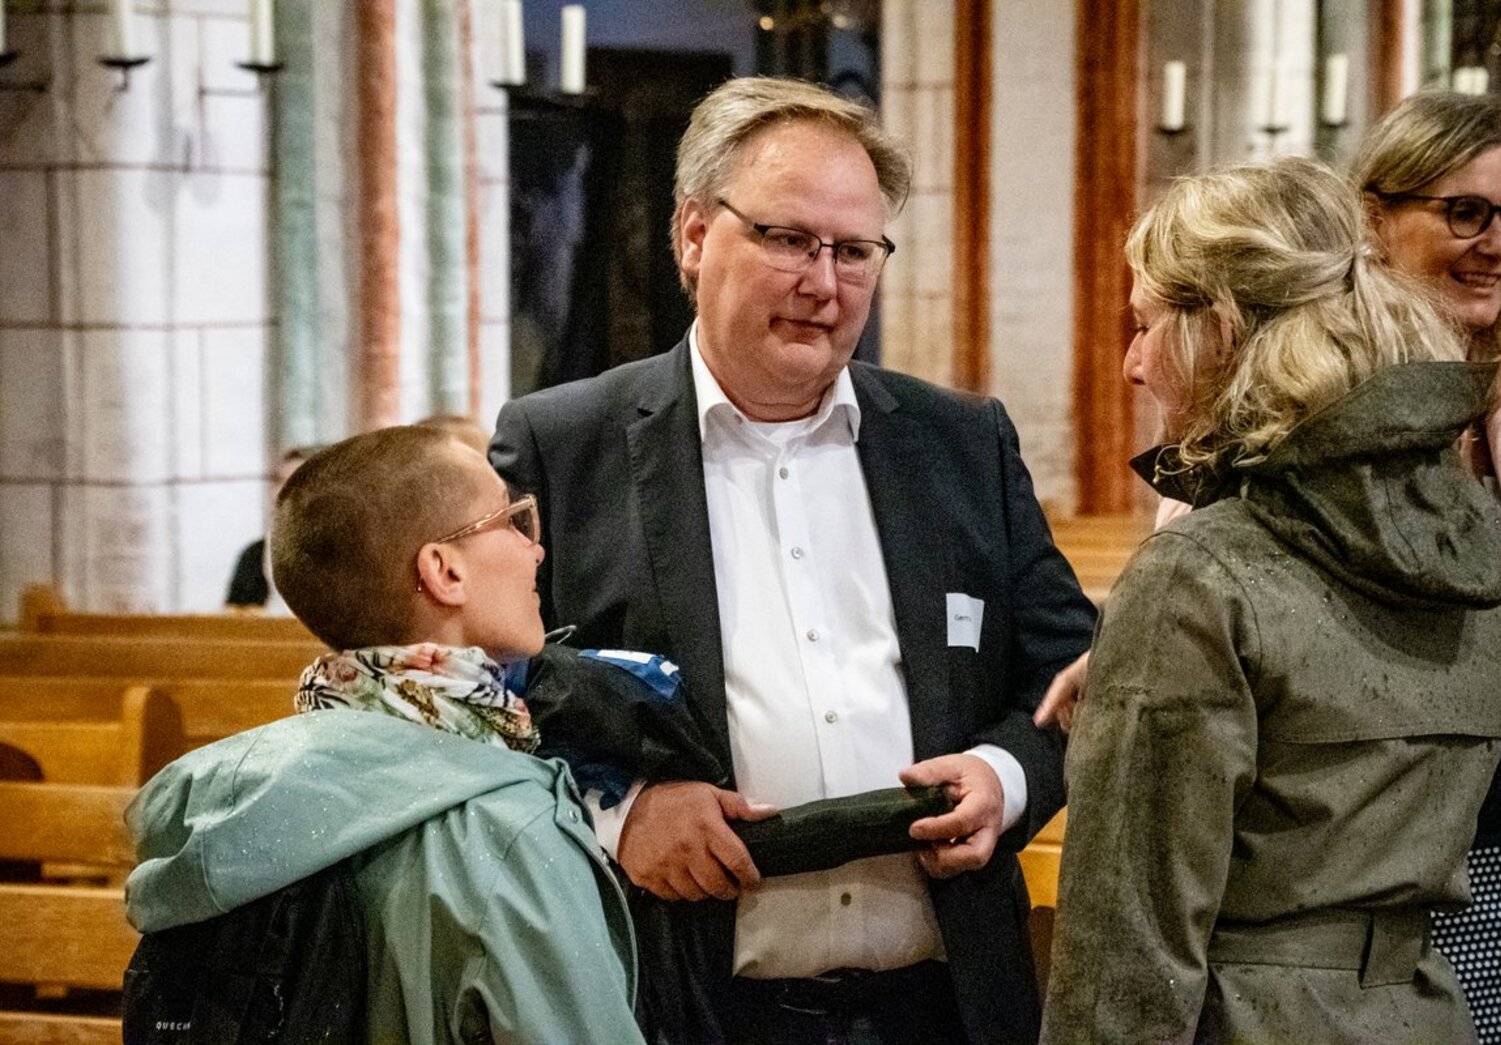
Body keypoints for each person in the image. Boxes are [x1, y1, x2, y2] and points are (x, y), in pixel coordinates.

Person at [490, 76, 1097, 1045]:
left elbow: (1076, 675)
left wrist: (1003, 774)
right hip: (683, 1002)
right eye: (786, 239)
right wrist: (621, 806)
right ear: (693, 235)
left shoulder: (957, 442)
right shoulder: (563, 446)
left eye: (853, 250)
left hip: (941, 1002)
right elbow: (484, 686)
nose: (822, 282)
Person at [1043, 155, 1501, 1043]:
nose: (1132, 363)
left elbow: (1129, 947)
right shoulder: (1474, 548)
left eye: (1146, 324)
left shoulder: (1198, 575)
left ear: (1219, 328)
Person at [124, 425, 645, 1045]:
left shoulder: (226, 803)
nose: (535, 550)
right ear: (443, 571)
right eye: (510, 520)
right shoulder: (511, 830)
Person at [1354, 90, 1501, 1042]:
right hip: (1388, 869)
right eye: (1464, 212)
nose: (1498, 243)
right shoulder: (1308, 414)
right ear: (1375, 218)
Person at [225, 445, 317, 612]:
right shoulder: (254, 556)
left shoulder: (342, 557)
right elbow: (233, 620)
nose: (285, 489)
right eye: (281, 481)